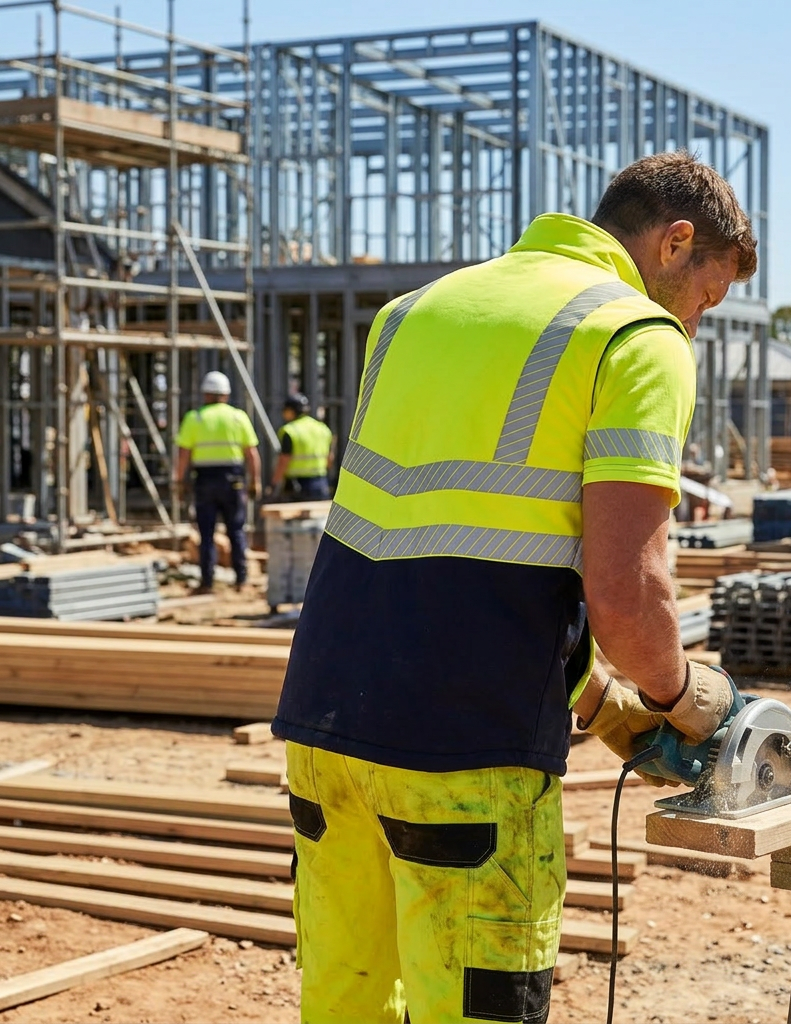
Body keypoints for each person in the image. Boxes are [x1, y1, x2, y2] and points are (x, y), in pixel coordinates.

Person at [272, 150, 757, 1024]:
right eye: (706, 296)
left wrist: (600, 701)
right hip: (466, 759)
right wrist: (679, 694)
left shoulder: (412, 311)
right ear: (677, 243)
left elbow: (442, 555)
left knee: (346, 1006)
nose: (696, 322)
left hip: (324, 725)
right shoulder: (633, 336)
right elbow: (625, 595)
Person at [174, 370, 261, 593]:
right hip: (233, 480)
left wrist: (179, 481)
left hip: (204, 480)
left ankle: (207, 581)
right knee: (236, 530)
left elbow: (183, 454)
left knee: (206, 533)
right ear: (226, 394)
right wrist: (255, 481)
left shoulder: (195, 418)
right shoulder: (237, 417)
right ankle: (241, 579)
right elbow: (251, 454)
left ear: (206, 394)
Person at [267, 393, 335, 501]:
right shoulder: (323, 429)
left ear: (291, 411)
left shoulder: (289, 431)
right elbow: (330, 458)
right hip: (321, 483)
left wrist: (274, 484)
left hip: (297, 486)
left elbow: (284, 460)